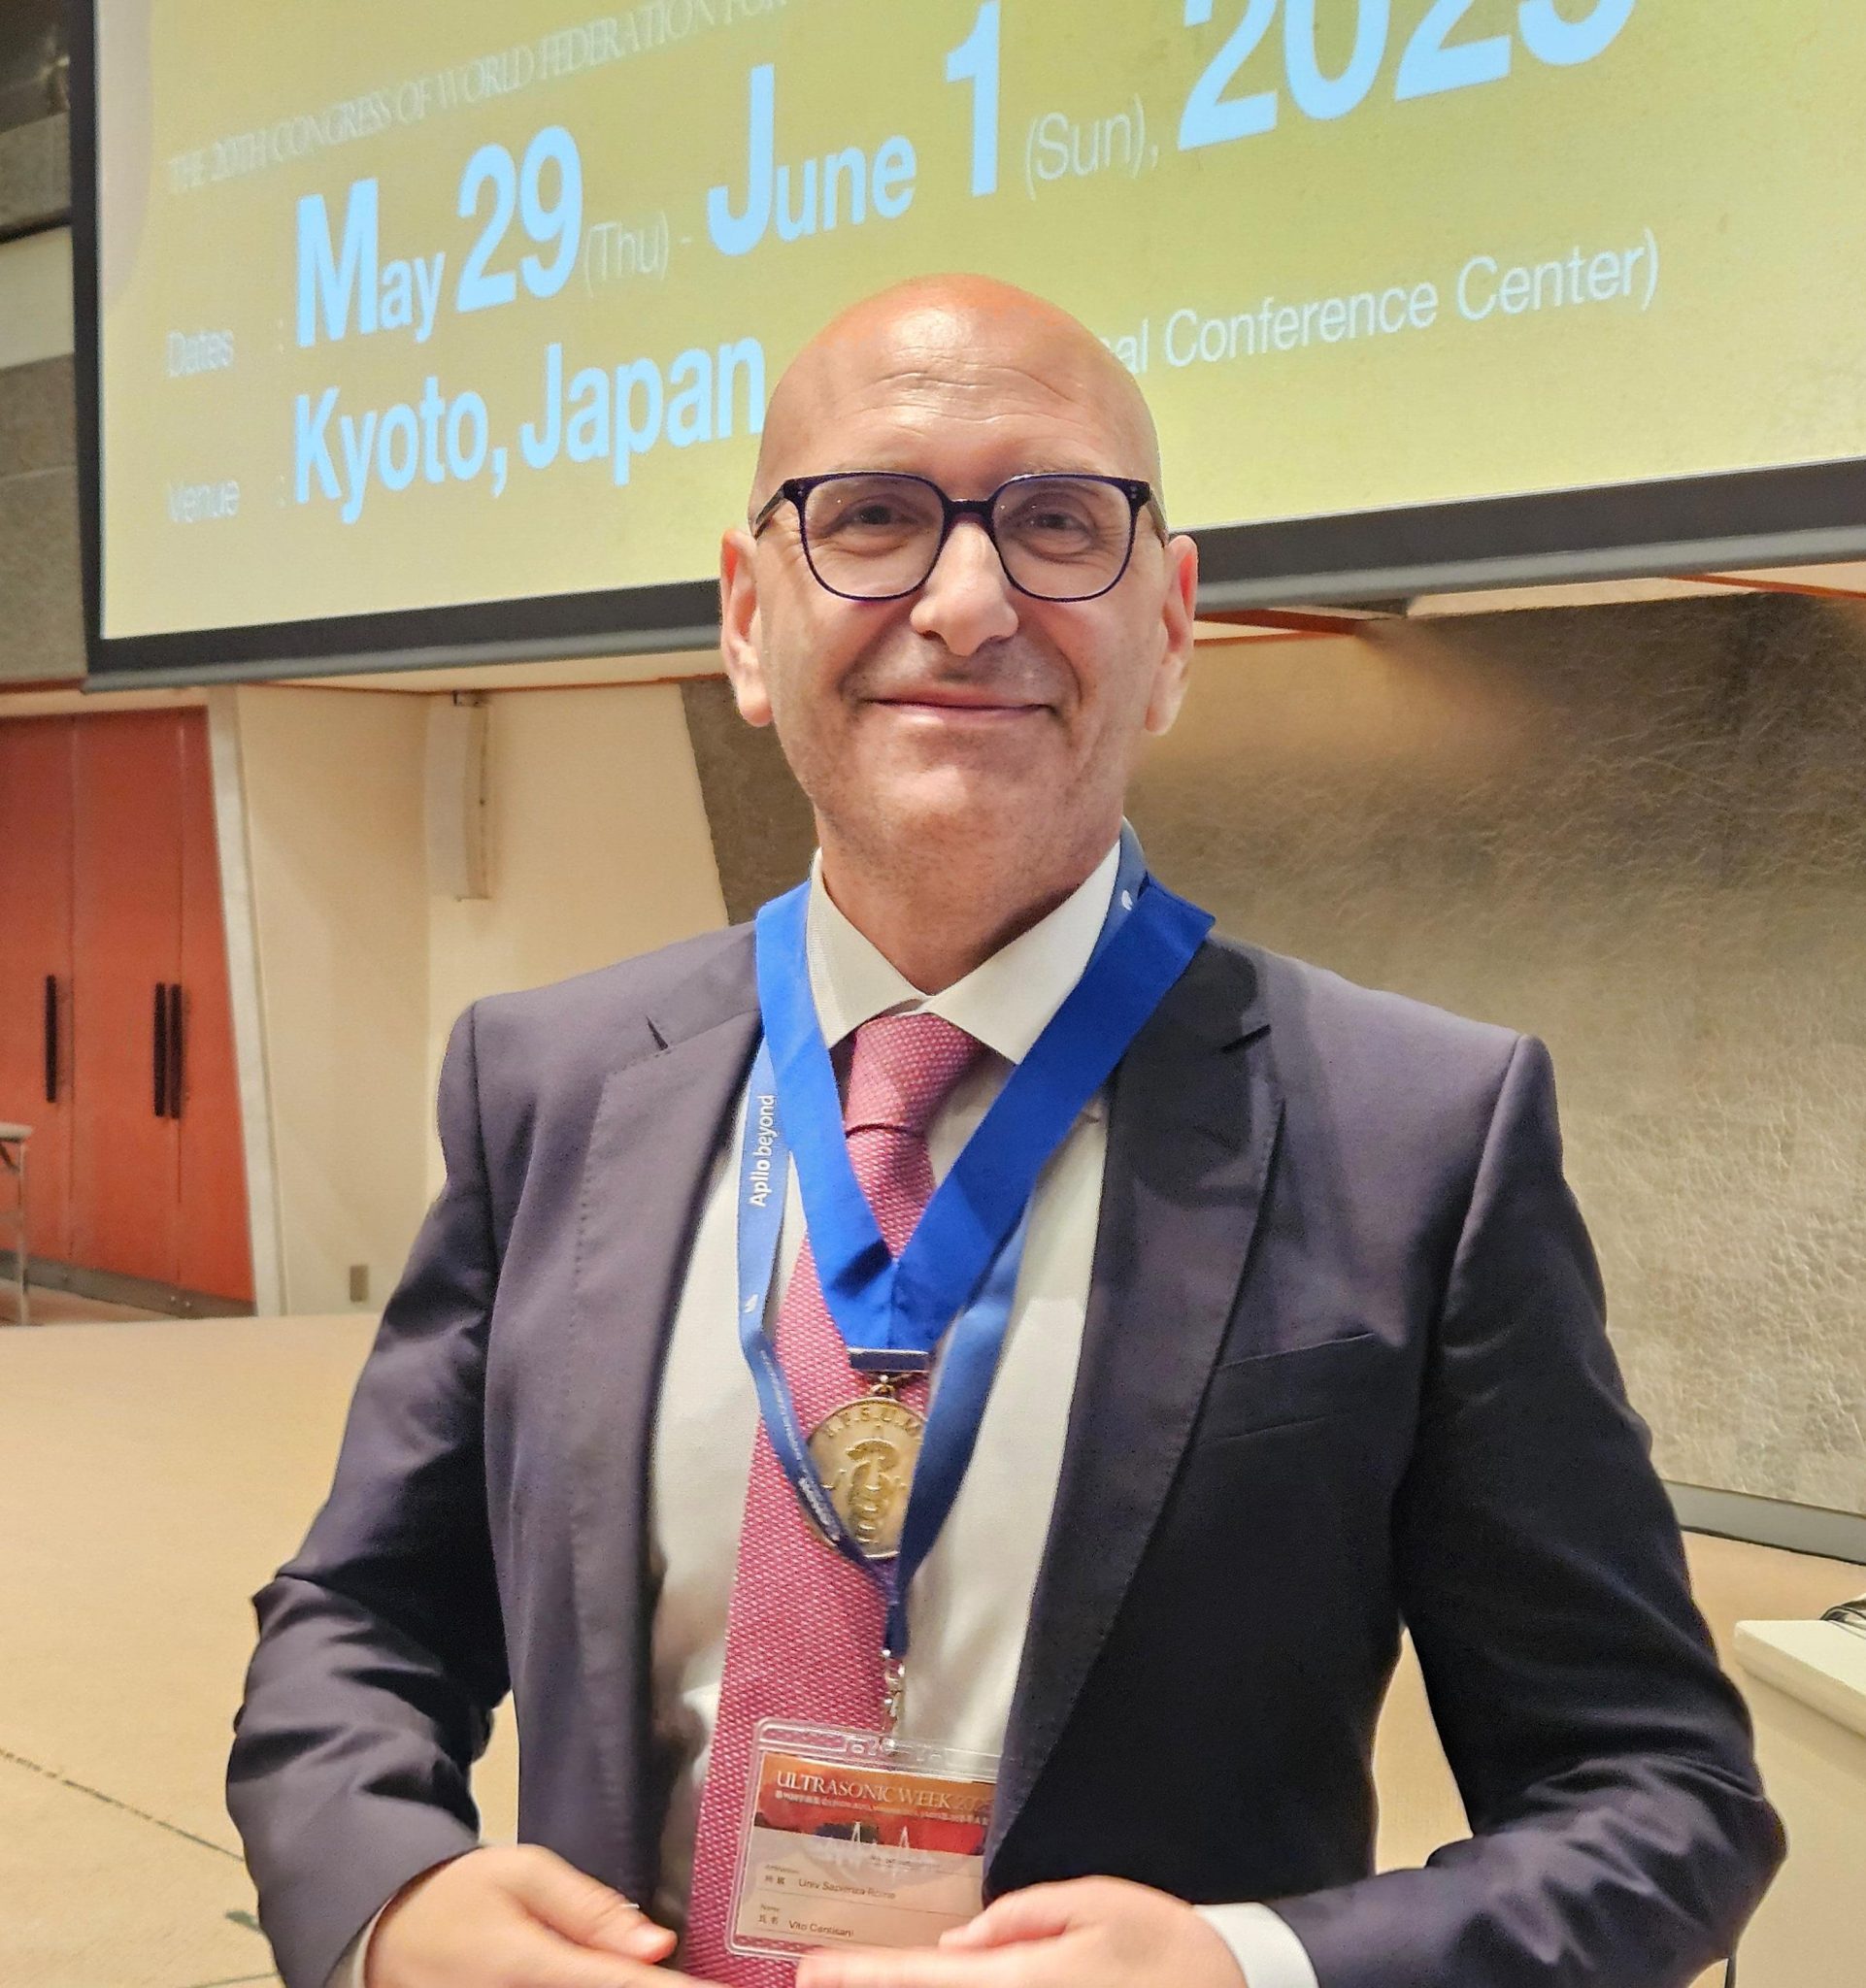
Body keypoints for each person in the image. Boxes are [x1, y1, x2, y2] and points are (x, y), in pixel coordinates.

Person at [228, 275, 1783, 1988]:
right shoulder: (551, 1085)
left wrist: (1242, 1972)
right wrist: (391, 1903)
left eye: (1056, 524)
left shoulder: (1420, 1133)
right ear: (745, 620)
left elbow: (1658, 1798)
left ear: (1169, 628)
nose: (967, 605)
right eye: (871, 518)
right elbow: (362, 1617)